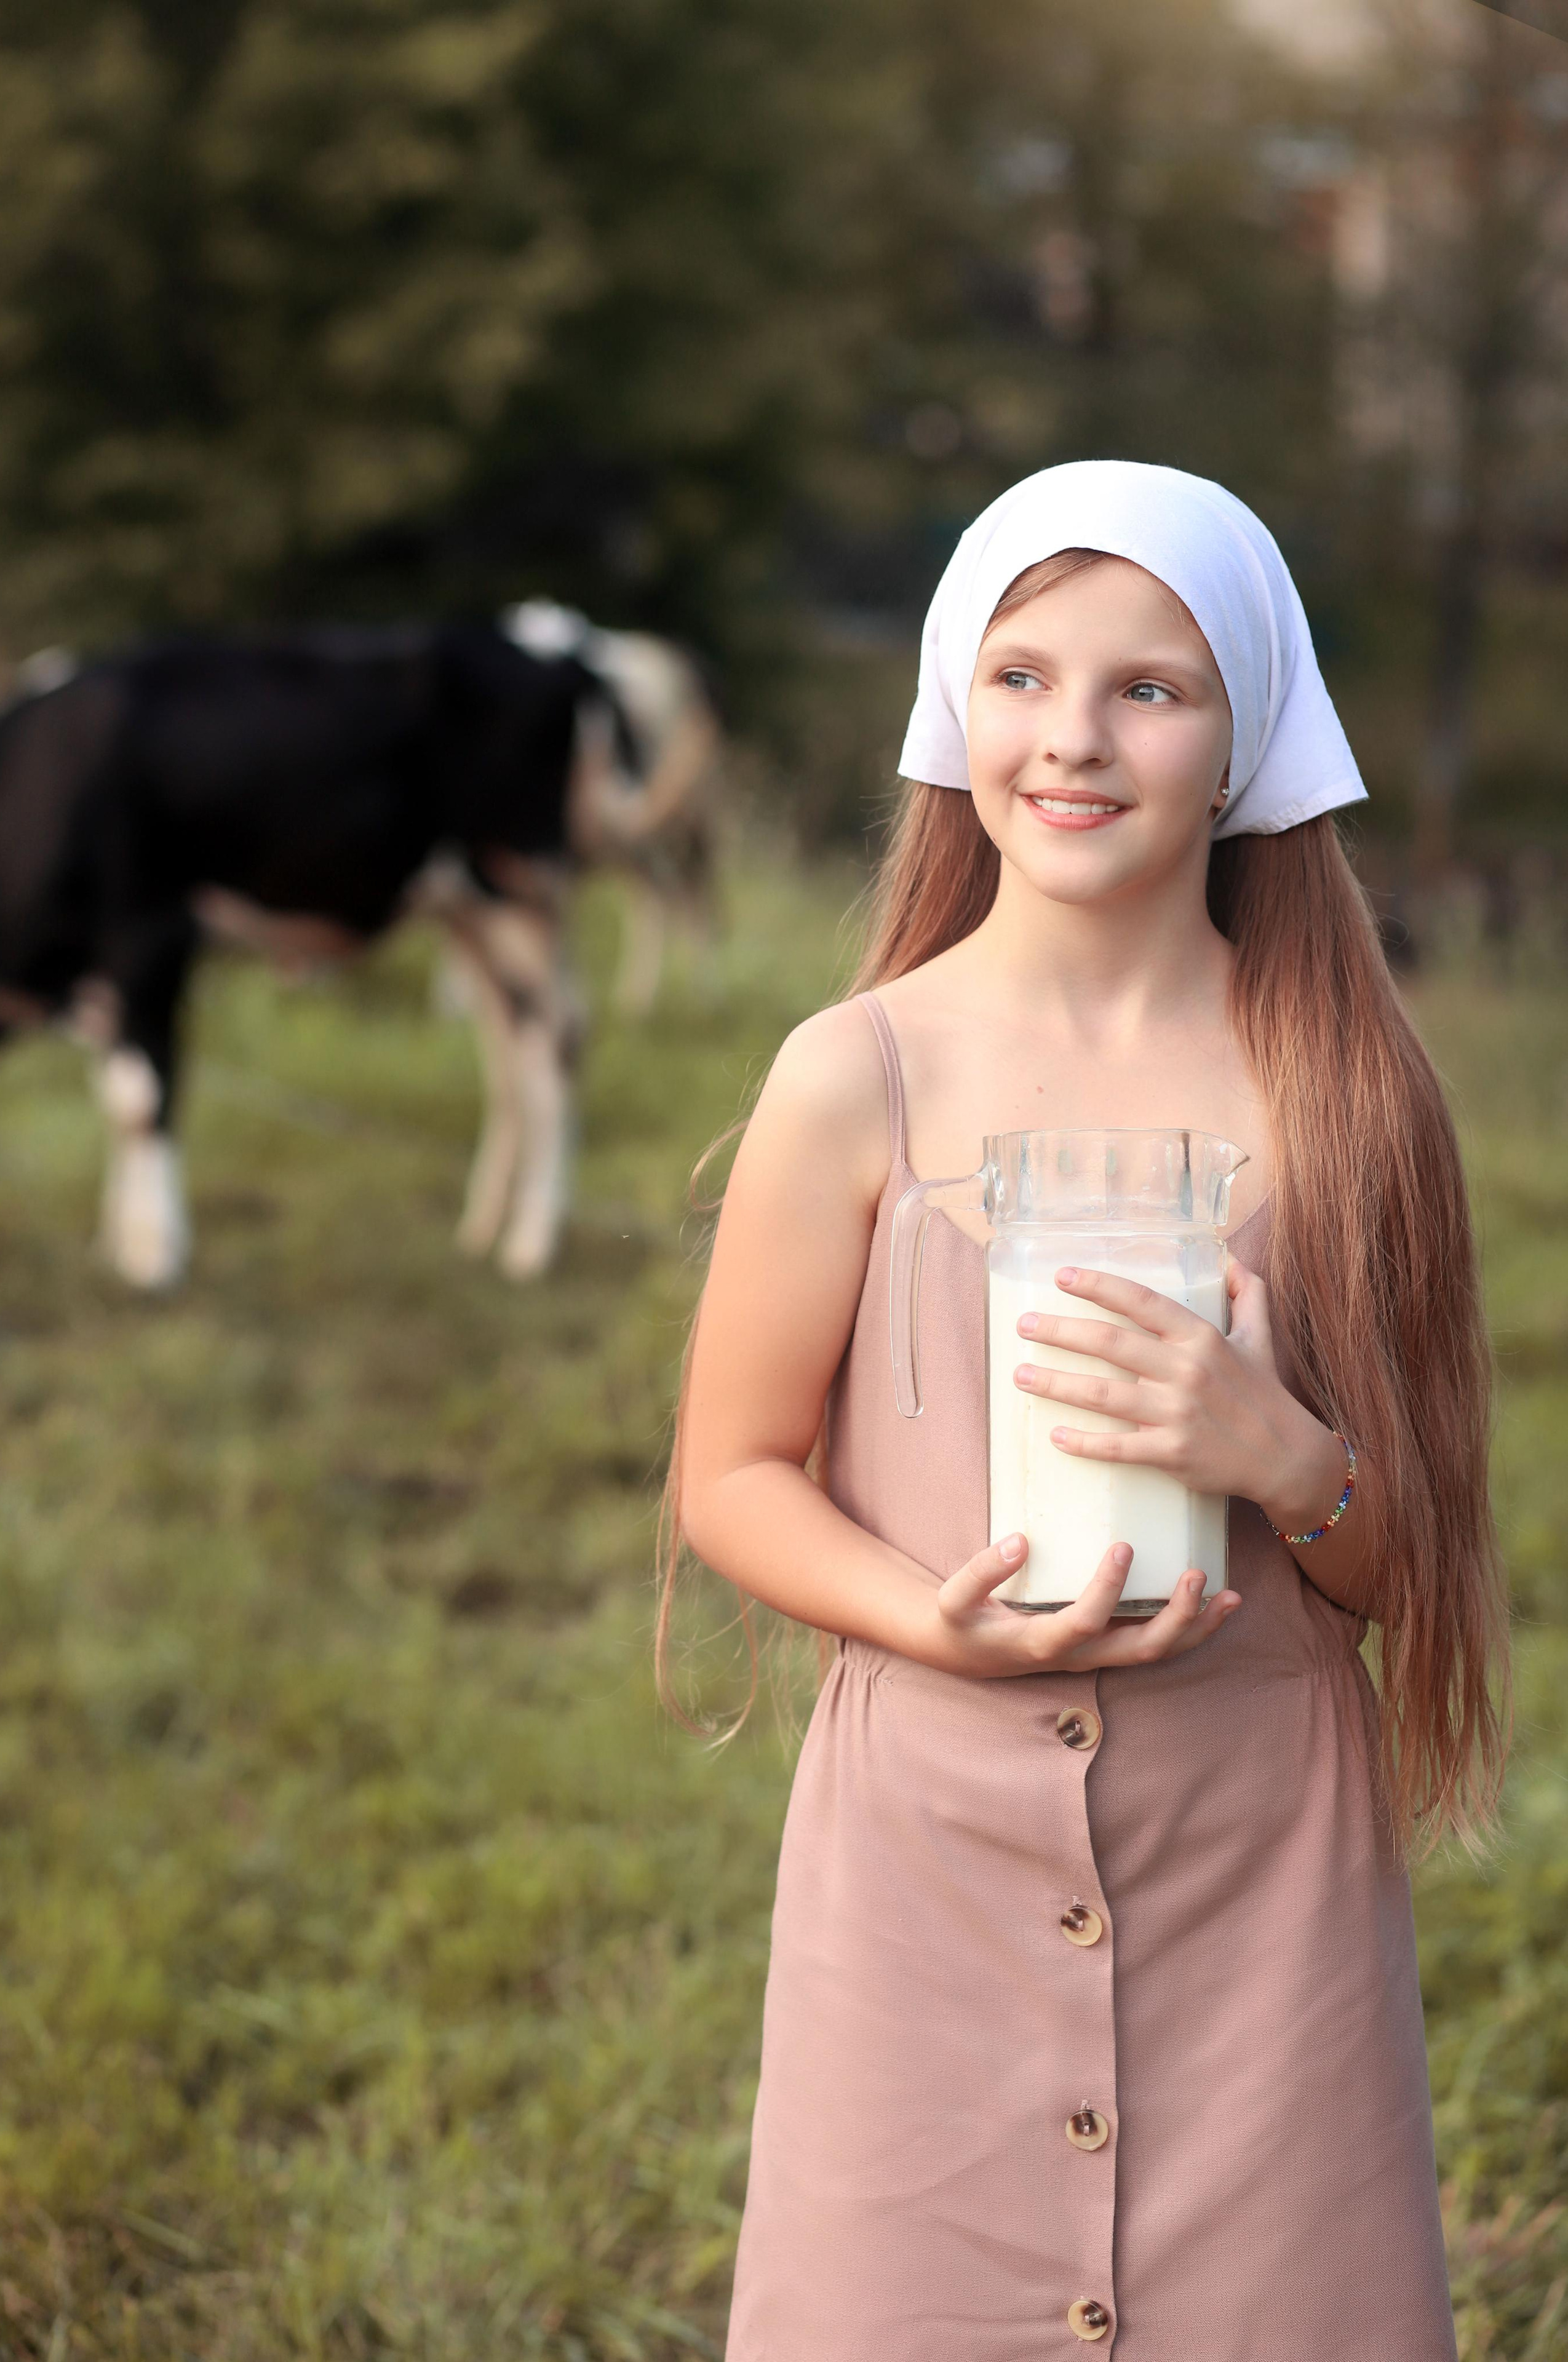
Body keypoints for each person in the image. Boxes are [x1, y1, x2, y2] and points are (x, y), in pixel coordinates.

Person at [664, 461, 1510, 2360]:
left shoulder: (1347, 1093)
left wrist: (1283, 1456)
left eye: (1151, 688)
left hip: (1259, 1865)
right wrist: (923, 1618)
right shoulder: (854, 1074)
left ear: (1243, 738)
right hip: (927, 1858)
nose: (1074, 738)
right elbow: (734, 1473)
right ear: (953, 706)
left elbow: (1412, 1564)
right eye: (1024, 675)